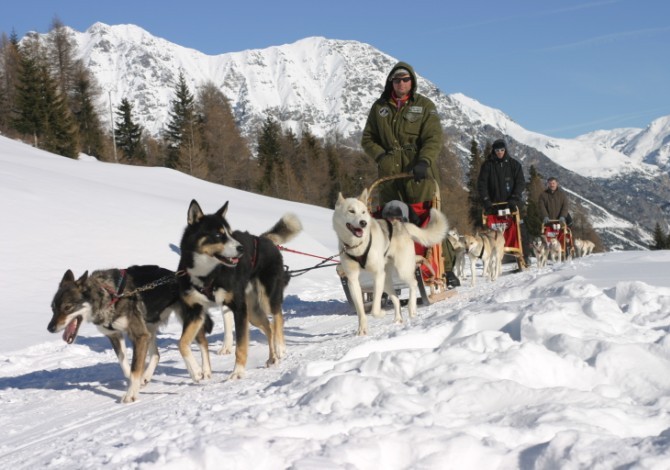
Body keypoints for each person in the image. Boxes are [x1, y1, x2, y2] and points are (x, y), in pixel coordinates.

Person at [361, 62, 459, 288]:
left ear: (412, 82)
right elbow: (368, 139)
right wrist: (380, 157)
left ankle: (444, 267)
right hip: (389, 175)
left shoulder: (424, 106)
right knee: (391, 221)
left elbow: (433, 138)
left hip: (419, 173)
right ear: (391, 83)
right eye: (397, 80)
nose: (401, 84)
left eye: (405, 80)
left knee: (425, 218)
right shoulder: (379, 108)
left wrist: (424, 161)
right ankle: (392, 272)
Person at [477, 138, 531, 265]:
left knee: (520, 228)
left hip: (512, 203)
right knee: (492, 230)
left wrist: (514, 198)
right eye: (497, 150)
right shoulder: (487, 166)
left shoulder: (514, 164)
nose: (500, 152)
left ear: (505, 150)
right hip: (494, 204)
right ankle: (492, 256)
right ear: (493, 151)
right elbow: (482, 184)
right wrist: (486, 201)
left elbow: (520, 183)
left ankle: (524, 256)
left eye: (502, 150)